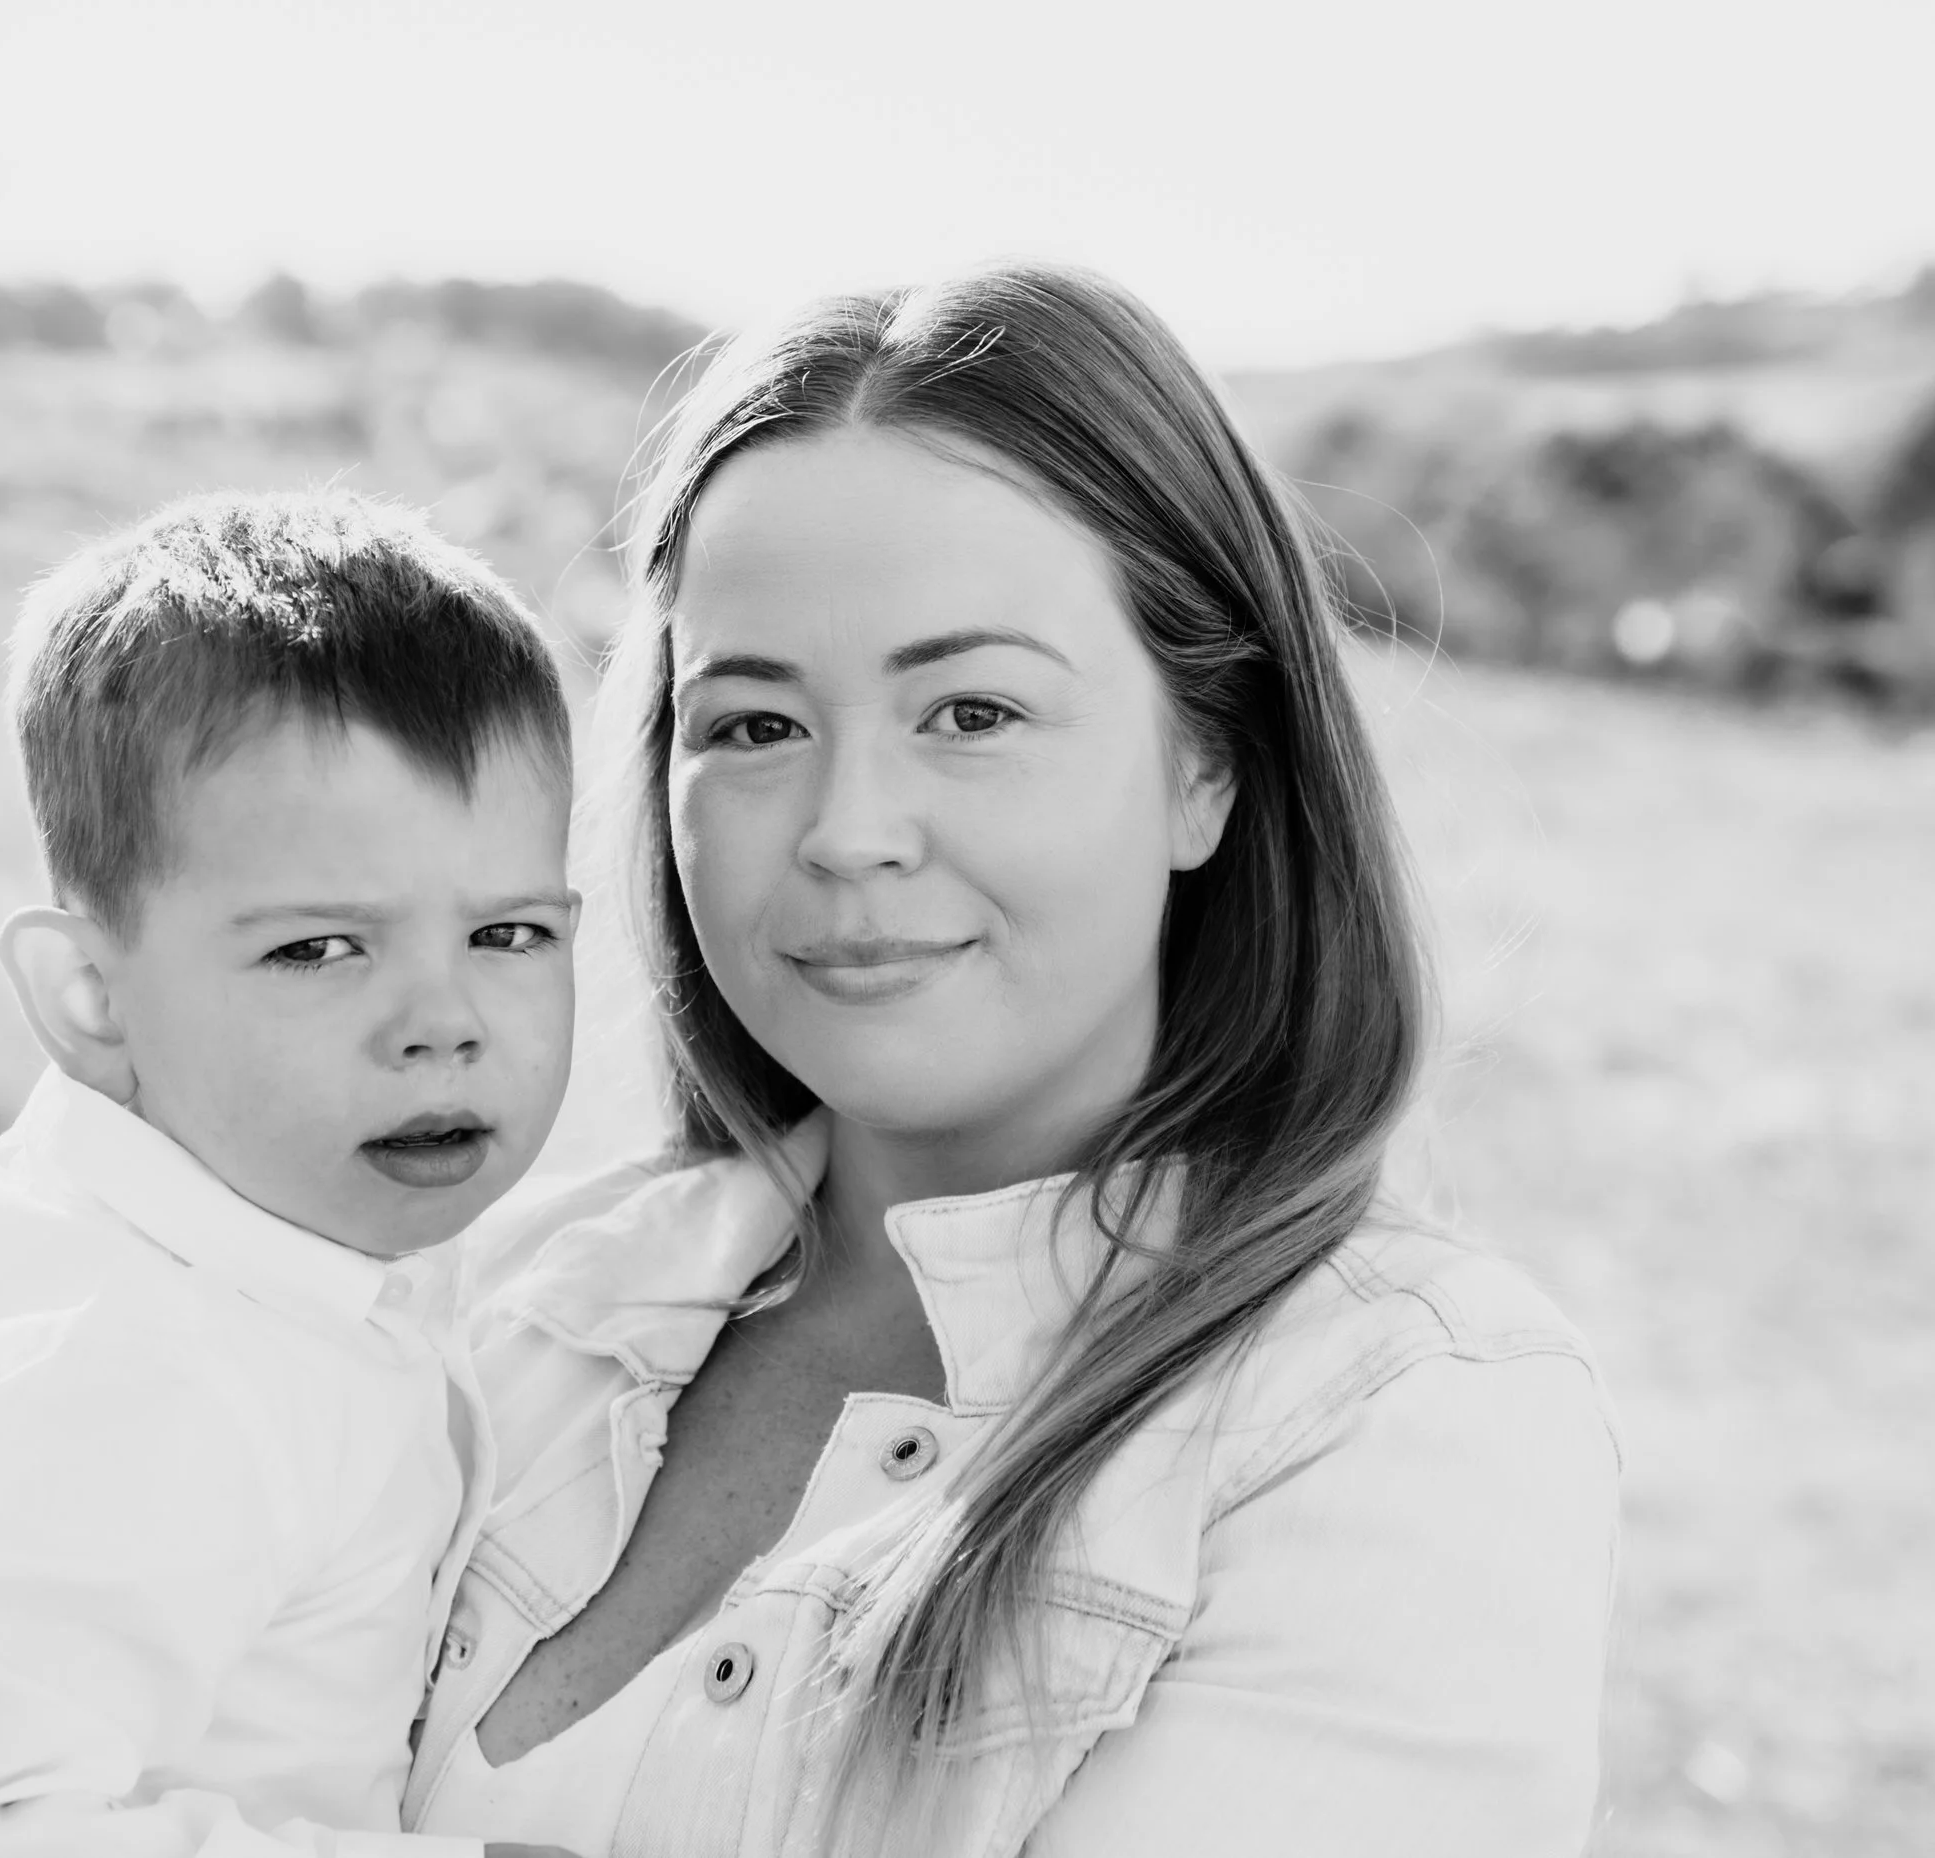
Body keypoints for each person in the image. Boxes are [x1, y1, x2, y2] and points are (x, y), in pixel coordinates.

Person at [404, 264, 1623, 1857]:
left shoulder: (1397, 1420)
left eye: (972, 710)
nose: (847, 835)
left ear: (1209, 769)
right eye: (755, 725)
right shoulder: (484, 1305)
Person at [0, 491, 585, 1858]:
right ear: (90, 996)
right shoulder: (130, 1363)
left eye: (512, 931)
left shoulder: (287, 1263)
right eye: (319, 948)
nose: (444, 1017)